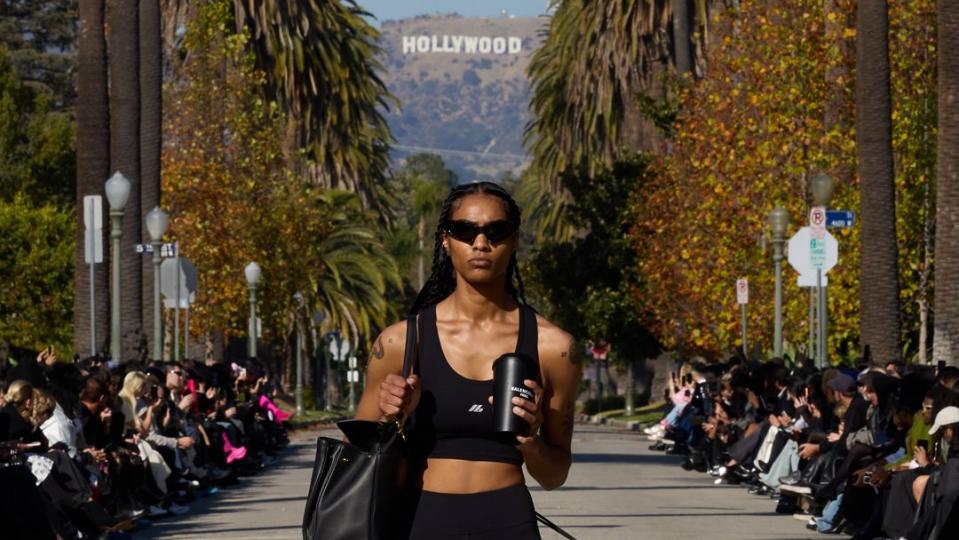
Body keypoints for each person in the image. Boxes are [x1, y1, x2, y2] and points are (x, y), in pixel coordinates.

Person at [354, 181, 582, 539]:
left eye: (497, 230)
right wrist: (391, 417)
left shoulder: (554, 348)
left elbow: (555, 476)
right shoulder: (400, 343)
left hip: (508, 521)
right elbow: (357, 462)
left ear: (515, 240)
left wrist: (530, 439)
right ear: (446, 239)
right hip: (420, 521)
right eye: (465, 231)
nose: (480, 243)